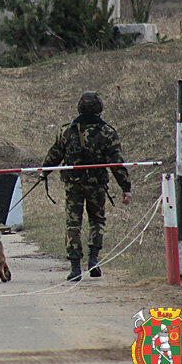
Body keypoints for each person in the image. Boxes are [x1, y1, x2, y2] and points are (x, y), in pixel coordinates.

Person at [41, 92, 132, 281]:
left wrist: (44, 173)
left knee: (73, 223)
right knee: (97, 221)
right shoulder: (107, 132)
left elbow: (54, 155)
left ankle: (75, 268)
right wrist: (125, 187)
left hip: (73, 186)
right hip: (97, 186)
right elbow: (116, 163)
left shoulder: (66, 131)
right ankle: (93, 261)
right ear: (99, 108)